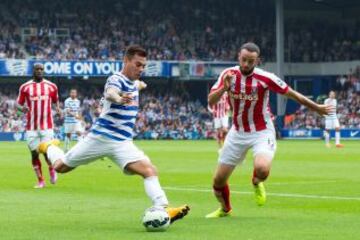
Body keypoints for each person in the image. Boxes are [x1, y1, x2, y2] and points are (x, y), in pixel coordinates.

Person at [36, 45, 190, 223]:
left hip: (123, 142)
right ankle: (49, 147)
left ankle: (162, 209)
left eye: (143, 66)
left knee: (149, 170)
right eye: (137, 64)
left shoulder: (134, 83)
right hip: (101, 138)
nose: (141, 69)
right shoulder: (116, 79)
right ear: (126, 61)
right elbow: (110, 93)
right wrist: (118, 98)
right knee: (61, 167)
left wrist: (140, 85)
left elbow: (137, 85)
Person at [206, 42, 333, 218]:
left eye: (251, 61)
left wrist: (316, 108)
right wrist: (224, 89)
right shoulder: (228, 75)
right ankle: (225, 209)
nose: (246, 65)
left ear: (258, 61)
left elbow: (292, 94)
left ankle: (256, 181)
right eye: (243, 60)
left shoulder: (266, 78)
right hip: (237, 132)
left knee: (262, 169)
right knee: (218, 181)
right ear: (238, 57)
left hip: (261, 131)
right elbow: (211, 101)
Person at [16, 63, 61, 188]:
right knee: (34, 154)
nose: (40, 71)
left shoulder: (51, 86)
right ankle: (41, 181)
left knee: (47, 152)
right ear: (33, 71)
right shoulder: (25, 87)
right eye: (37, 69)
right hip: (32, 127)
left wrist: (58, 109)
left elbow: (56, 100)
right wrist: (22, 108)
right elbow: (17, 104)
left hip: (47, 126)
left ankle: (51, 170)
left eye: (42, 69)